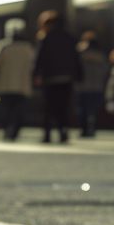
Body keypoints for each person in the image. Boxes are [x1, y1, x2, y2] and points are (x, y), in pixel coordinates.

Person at [32, 11, 80, 143]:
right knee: (63, 106)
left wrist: (36, 74)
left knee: (48, 107)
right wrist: (78, 75)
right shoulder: (69, 37)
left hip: (50, 77)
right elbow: (76, 58)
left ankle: (47, 134)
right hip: (66, 77)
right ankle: (63, 132)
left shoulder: (46, 38)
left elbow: (39, 58)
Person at [0, 18, 35, 141]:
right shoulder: (28, 48)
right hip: (22, 86)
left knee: (5, 110)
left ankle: (8, 130)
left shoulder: (2, 46)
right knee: (18, 111)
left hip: (5, 86)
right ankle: (14, 131)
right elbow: (33, 66)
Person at [75, 31, 109, 138]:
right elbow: (105, 70)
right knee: (92, 109)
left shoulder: (80, 53)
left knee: (82, 109)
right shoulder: (101, 54)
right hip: (96, 85)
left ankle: (83, 128)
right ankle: (92, 128)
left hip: (82, 85)